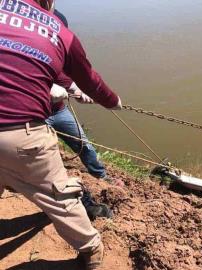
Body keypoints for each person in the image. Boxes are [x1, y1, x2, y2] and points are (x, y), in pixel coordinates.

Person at [0, 0, 122, 269]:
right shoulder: (58, 30)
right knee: (60, 196)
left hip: (51, 111)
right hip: (25, 130)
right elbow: (92, 79)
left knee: (83, 144)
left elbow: (59, 70)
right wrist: (111, 101)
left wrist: (73, 89)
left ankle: (101, 174)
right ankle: (92, 251)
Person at [48, 9, 124, 187]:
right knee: (43, 154)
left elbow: (65, 75)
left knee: (84, 144)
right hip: (32, 115)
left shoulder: (58, 49)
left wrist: (77, 90)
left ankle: (101, 176)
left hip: (58, 110)